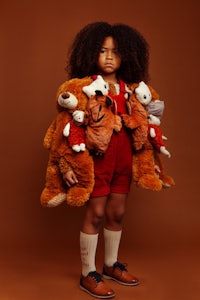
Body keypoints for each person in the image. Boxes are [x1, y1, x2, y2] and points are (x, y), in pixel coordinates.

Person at [62, 22, 150, 299]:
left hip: (123, 161)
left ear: (127, 55)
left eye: (115, 51)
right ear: (90, 53)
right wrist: (66, 166)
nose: (109, 56)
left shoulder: (131, 90)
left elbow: (144, 128)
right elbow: (64, 130)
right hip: (96, 162)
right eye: (102, 50)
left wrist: (152, 161)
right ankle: (88, 272)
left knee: (117, 213)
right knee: (97, 214)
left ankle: (110, 264)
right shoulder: (82, 89)